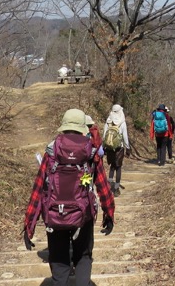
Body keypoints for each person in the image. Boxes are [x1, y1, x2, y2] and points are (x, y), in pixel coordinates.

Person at [23, 108, 115, 286]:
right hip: (84, 215)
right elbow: (102, 186)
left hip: (54, 213)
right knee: (83, 256)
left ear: (63, 127)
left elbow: (38, 189)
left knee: (59, 259)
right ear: (83, 128)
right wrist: (109, 213)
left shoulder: (52, 151)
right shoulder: (91, 152)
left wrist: (29, 224)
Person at [102, 104, 130, 195]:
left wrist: (104, 147)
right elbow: (125, 137)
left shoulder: (108, 121)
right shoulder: (122, 122)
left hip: (109, 148)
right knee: (118, 168)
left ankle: (109, 187)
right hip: (119, 148)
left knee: (112, 167)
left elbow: (104, 135)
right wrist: (128, 148)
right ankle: (116, 189)